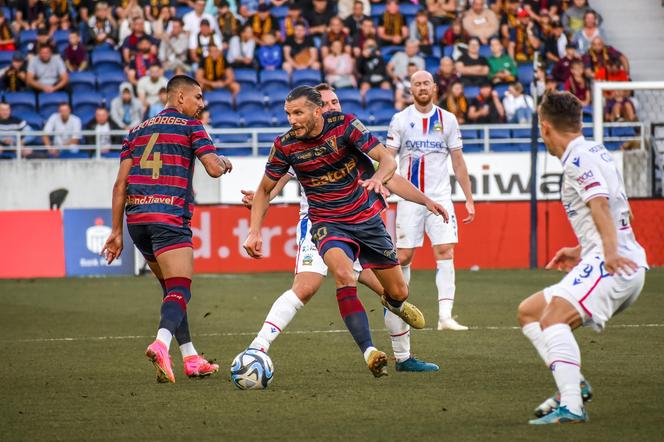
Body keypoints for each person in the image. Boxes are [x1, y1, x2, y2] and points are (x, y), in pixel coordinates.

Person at [240, 83, 442, 373]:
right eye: (289, 114)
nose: (291, 119)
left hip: (364, 219)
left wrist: (423, 200)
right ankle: (368, 351)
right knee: (332, 279)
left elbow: (388, 166)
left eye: (298, 113)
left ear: (319, 111)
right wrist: (255, 228)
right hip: (323, 221)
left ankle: (400, 330)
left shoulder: (348, 129)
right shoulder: (287, 144)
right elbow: (271, 185)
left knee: (396, 291)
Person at [517, 90, 648, 425]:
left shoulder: (577, 159)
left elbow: (601, 205)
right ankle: (571, 382)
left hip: (613, 264)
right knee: (530, 312)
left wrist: (609, 253)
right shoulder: (596, 151)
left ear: (544, 128)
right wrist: (581, 249)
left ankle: (572, 405)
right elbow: (625, 213)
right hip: (610, 257)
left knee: (553, 319)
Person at [101, 75, 234, 384]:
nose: (202, 104)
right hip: (169, 217)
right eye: (198, 97)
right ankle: (161, 344)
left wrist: (116, 231)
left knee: (171, 289)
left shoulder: (135, 131)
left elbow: (120, 183)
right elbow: (213, 169)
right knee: (181, 289)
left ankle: (190, 358)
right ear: (180, 98)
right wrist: (225, 161)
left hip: (137, 221)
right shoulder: (191, 127)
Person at [387, 70, 475, 331]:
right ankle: (398, 306)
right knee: (403, 256)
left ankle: (445, 316)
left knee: (445, 250)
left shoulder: (448, 120)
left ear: (434, 88)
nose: (422, 87)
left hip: (440, 198)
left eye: (426, 83)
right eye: (417, 84)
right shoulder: (400, 120)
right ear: (411, 89)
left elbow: (458, 161)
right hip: (410, 198)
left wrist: (469, 198)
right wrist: (381, 185)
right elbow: (389, 158)